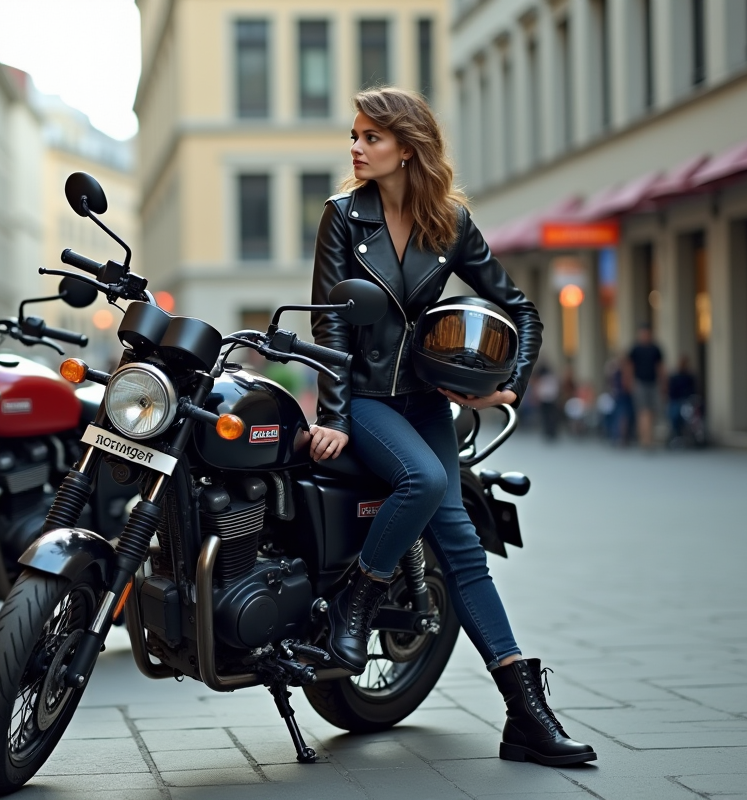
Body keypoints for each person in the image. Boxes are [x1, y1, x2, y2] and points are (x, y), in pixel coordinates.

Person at [307, 87, 595, 766]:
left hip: (426, 401)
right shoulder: (343, 217)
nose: (355, 147)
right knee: (428, 478)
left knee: (462, 547)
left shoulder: (450, 224)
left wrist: (510, 383)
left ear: (407, 147)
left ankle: (527, 715)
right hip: (370, 398)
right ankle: (355, 599)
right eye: (354, 135)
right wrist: (335, 417)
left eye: (370, 137)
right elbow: (330, 322)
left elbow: (521, 308)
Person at [626, 324, 664, 449]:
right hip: (640, 383)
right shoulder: (635, 349)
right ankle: (645, 440)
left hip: (653, 383)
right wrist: (631, 382)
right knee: (643, 412)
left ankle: (649, 438)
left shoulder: (655, 349)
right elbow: (630, 367)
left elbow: (660, 368)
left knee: (652, 412)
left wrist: (662, 382)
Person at [667, 356, 698, 444]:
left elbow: (694, 391)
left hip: (687, 401)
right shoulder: (674, 377)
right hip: (676, 401)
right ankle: (676, 434)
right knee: (674, 413)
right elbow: (671, 392)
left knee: (690, 413)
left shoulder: (690, 377)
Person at [533, 365, 560, 441]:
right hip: (550, 400)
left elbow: (539, 390)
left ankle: (549, 432)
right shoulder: (551, 378)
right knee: (549, 417)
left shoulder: (544, 379)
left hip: (546, 400)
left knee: (546, 417)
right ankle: (550, 432)